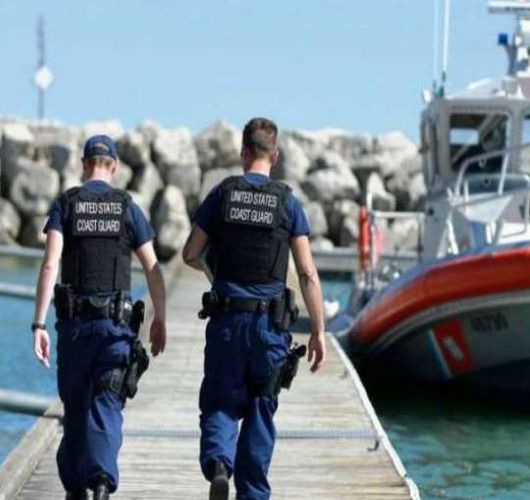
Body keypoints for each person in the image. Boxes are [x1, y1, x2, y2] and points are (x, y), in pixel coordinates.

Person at [181, 117, 326, 500]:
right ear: (274, 157)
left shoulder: (222, 194)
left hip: (228, 320)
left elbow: (190, 253)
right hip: (269, 327)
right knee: (262, 406)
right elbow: (307, 273)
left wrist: (216, 273)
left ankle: (219, 464)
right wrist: (318, 331)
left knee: (221, 401)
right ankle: (253, 493)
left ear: (243, 153)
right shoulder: (287, 202)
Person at [31, 135, 167, 500]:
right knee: (107, 400)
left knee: (76, 406)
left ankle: (76, 487)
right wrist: (160, 318)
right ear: (115, 167)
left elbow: (50, 264)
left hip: (75, 327)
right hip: (115, 328)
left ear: (83, 164)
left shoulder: (66, 204)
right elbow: (153, 268)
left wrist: (39, 324)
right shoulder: (127, 207)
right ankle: (103, 480)